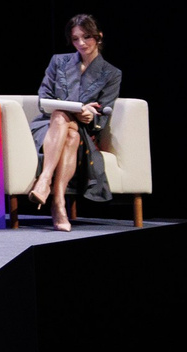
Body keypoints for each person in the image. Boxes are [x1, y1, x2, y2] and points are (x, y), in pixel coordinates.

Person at [28, 14, 123, 231]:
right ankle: (57, 201)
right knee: (61, 116)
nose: (81, 43)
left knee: (72, 133)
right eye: (75, 39)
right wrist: (71, 107)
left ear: (99, 37)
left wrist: (91, 117)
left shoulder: (111, 73)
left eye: (86, 37)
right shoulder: (59, 62)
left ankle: (47, 185)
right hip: (48, 127)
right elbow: (44, 98)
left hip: (82, 131)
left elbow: (104, 110)